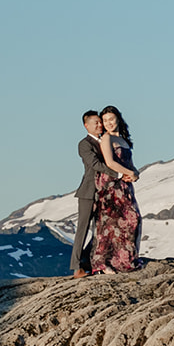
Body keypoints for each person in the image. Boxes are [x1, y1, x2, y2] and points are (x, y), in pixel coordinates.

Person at [91, 104, 143, 274]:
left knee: (132, 220)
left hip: (125, 185)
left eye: (111, 119)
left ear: (118, 119)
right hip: (111, 185)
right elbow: (110, 162)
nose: (108, 123)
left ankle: (124, 259)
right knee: (111, 223)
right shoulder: (106, 139)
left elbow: (130, 163)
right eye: (105, 120)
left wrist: (135, 173)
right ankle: (103, 262)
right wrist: (128, 173)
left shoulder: (124, 140)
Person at [69, 109, 108, 278]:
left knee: (102, 229)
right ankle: (76, 267)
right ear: (86, 125)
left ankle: (88, 261)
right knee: (83, 230)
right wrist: (119, 173)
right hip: (88, 192)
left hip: (105, 193)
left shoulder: (106, 141)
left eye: (100, 122)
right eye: (96, 123)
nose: (100, 125)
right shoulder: (84, 144)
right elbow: (95, 164)